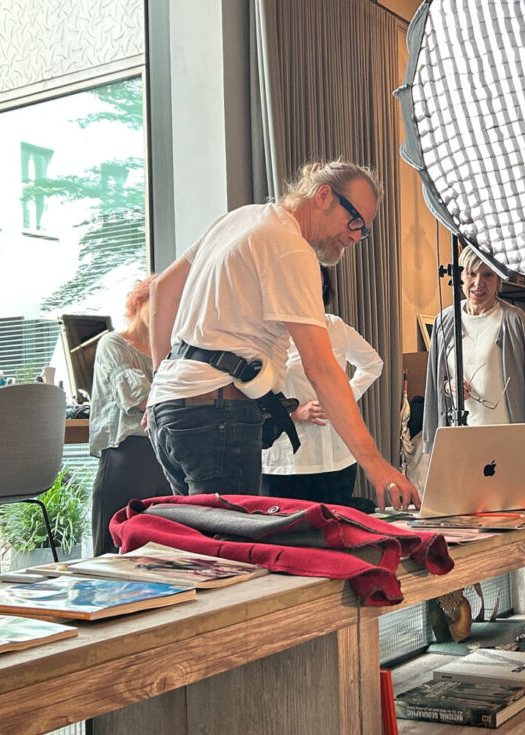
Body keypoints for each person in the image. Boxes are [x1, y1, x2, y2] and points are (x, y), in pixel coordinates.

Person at [147, 159, 418, 510]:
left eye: (363, 230)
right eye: (355, 221)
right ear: (323, 195)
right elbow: (320, 368)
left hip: (169, 409)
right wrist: (376, 465)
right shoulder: (291, 247)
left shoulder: (240, 218)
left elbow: (163, 290)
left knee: (200, 550)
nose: (355, 236)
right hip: (218, 413)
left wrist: (160, 379)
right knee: (230, 552)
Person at [261, 268, 383, 505]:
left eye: (318, 289)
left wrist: (345, 397)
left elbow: (372, 364)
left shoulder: (334, 326)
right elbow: (253, 393)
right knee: (287, 538)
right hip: (286, 463)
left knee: (335, 535)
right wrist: (294, 414)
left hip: (336, 457)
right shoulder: (266, 333)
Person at [422, 246, 525, 453]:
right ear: (460, 276)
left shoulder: (514, 320)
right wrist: (449, 387)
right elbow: (435, 383)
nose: (478, 283)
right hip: (461, 439)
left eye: (488, 275)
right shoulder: (444, 321)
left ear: (499, 281)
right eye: (471, 273)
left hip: (506, 438)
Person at [89, 276, 171, 556]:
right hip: (128, 450)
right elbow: (140, 399)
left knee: (156, 551)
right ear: (139, 302)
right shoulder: (114, 343)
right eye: (157, 304)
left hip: (163, 451)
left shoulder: (170, 352)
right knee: (111, 551)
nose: (163, 313)